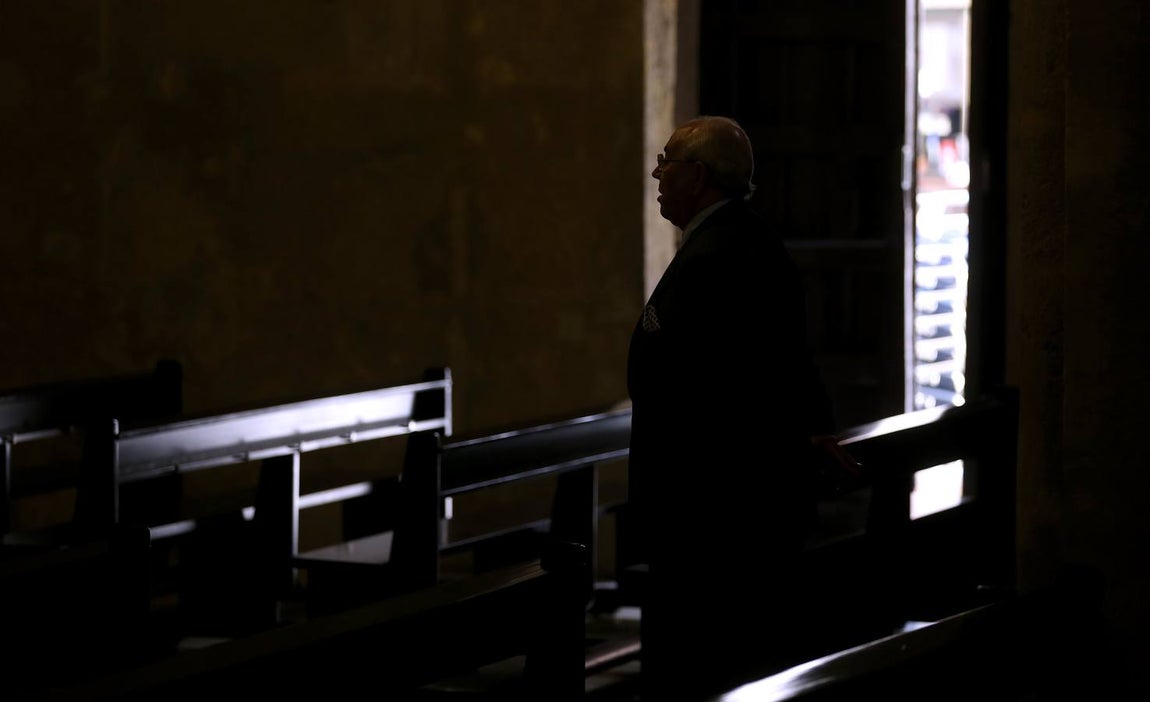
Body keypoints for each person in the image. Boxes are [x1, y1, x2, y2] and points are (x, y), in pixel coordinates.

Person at [625, 115, 857, 698]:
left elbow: (717, 388)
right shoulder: (746, 239)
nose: (657, 172)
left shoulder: (717, 256)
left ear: (698, 175)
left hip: (707, 512)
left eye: (667, 160)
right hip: (731, 505)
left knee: (700, 667)